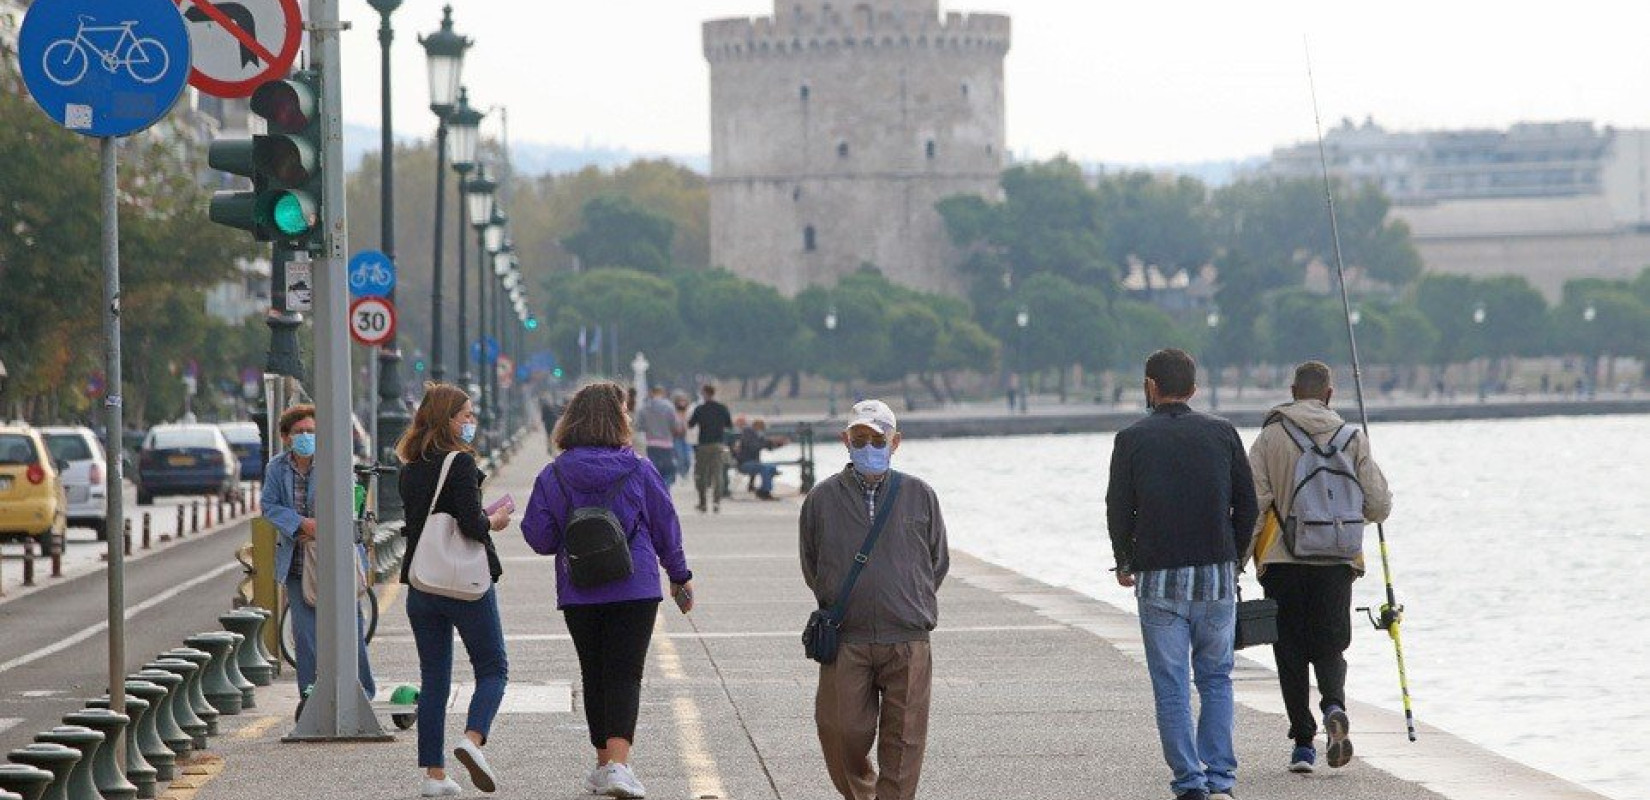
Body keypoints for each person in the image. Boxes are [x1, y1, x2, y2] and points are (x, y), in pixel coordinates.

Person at [521, 381, 695, 800]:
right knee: (625, 674)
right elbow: (665, 524)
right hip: (634, 586)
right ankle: (617, 765)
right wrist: (679, 574)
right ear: (619, 419)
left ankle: (604, 765)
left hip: (580, 588)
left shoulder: (554, 473)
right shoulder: (639, 469)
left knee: (594, 673)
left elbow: (540, 537)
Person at [1105, 349, 1258, 800]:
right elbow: (1248, 505)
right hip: (1215, 577)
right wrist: (1234, 557)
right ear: (1193, 389)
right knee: (1216, 679)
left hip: (1158, 581)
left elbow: (1118, 509)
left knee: (1171, 686)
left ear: (1151, 386)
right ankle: (1220, 780)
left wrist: (1124, 559)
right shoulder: (1222, 432)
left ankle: (1190, 783)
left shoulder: (1131, 439)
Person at [1245, 361, 1391, 774]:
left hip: (1281, 561)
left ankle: (1303, 745)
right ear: (1329, 394)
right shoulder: (1352, 438)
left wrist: (1238, 559)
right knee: (1330, 644)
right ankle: (1333, 705)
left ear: (1293, 391)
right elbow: (1379, 505)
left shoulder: (1271, 436)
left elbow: (1255, 503)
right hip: (1337, 560)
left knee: (1289, 649)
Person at [800, 399, 949, 800]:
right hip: (847, 637)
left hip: (907, 637)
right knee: (839, 731)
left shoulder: (920, 495)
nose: (868, 446)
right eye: (859, 438)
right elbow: (812, 563)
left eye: (877, 439)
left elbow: (937, 561)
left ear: (895, 442)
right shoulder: (821, 499)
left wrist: (908, 599)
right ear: (845, 440)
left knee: (904, 742)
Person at [396, 384, 513, 797]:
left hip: (422, 584)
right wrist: (494, 521)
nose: (471, 422)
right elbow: (469, 524)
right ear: (446, 419)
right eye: (465, 415)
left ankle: (434, 775)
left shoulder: (409, 468)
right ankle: (473, 739)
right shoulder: (459, 464)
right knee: (493, 668)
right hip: (464, 585)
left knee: (435, 679)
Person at [259, 404, 377, 703]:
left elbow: (347, 503)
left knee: (351, 629)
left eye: (311, 431)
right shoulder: (277, 468)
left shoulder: (335, 463)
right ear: (286, 437)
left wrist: (324, 524)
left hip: (337, 560)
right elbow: (269, 506)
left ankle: (363, 693)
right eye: (299, 432)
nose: (306, 437)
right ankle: (311, 698)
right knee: (306, 636)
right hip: (298, 562)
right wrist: (302, 524)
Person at [687, 383, 734, 513]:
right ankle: (716, 502)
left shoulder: (700, 409)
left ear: (704, 393)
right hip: (718, 444)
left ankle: (703, 503)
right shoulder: (722, 408)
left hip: (703, 445)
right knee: (718, 474)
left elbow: (691, 425)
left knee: (701, 474)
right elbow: (729, 425)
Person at [636, 386, 683, 484]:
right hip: (666, 444)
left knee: (654, 471)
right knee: (668, 471)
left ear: (651, 393)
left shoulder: (645, 407)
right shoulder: (669, 406)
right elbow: (675, 425)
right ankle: (665, 489)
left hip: (651, 444)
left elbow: (639, 427)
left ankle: (657, 491)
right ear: (663, 393)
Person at [734, 417, 789, 500]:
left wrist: (778, 443)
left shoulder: (756, 435)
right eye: (762, 428)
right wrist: (769, 442)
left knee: (771, 468)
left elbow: (766, 445)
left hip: (754, 463)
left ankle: (764, 489)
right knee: (765, 468)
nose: (762, 430)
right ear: (757, 427)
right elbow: (754, 446)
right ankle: (765, 492)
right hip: (745, 463)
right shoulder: (748, 433)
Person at [670, 391, 693, 484]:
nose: (682, 402)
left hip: (687, 437)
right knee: (680, 456)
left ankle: (686, 472)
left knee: (688, 457)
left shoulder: (689, 411)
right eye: (680, 401)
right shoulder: (673, 412)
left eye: (684, 400)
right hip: (677, 437)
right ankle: (682, 474)